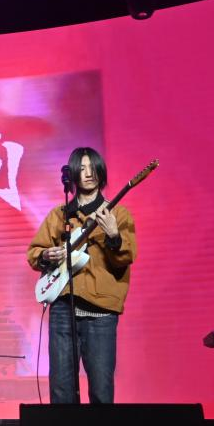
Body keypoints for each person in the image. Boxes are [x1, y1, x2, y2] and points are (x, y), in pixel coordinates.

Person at [26, 147, 136, 404]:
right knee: (61, 388)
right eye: (83, 168)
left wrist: (114, 236)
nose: (89, 173)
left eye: (93, 167)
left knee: (101, 389)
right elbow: (34, 253)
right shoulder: (60, 215)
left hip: (101, 311)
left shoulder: (117, 214)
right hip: (64, 308)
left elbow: (125, 257)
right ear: (73, 174)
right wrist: (46, 255)